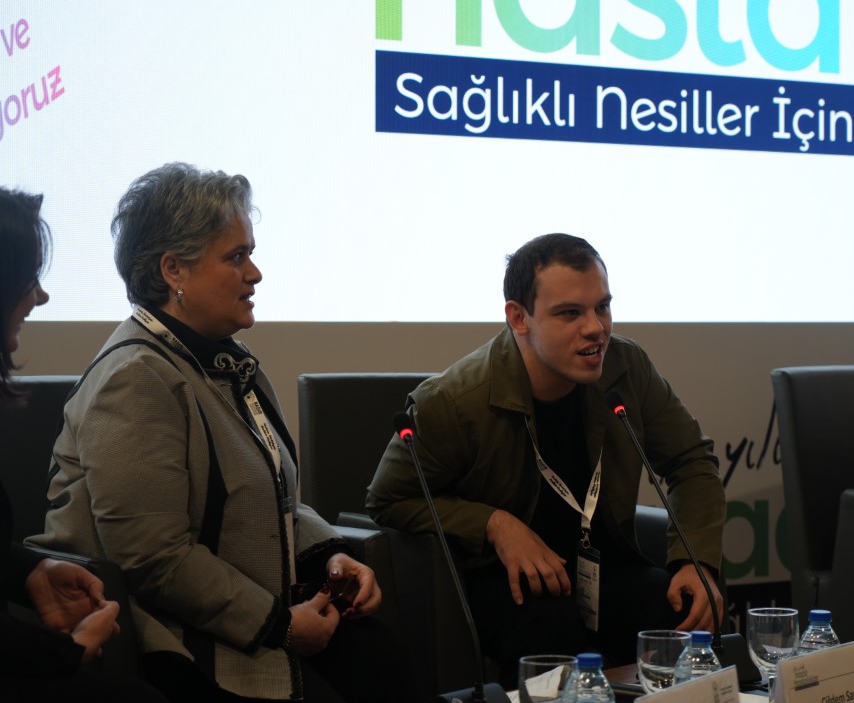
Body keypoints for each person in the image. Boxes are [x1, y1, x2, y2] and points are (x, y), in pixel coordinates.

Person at [28, 164, 414, 703]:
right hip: (185, 645)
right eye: (236, 257)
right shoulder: (135, 378)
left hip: (255, 613)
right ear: (173, 270)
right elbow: (155, 559)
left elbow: (266, 495)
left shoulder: (227, 361)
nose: (255, 274)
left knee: (388, 663)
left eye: (250, 254)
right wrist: (281, 625)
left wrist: (327, 558)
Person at [366, 233, 726, 684]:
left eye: (602, 307)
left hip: (600, 570)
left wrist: (695, 562)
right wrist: (494, 524)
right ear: (519, 317)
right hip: (504, 582)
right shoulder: (452, 401)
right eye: (570, 313)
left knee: (681, 609)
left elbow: (691, 461)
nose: (596, 328)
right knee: (551, 628)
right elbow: (388, 500)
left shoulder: (626, 367)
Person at [1, 187, 168, 702]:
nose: (41, 297)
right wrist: (66, 653)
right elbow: (155, 552)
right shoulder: (133, 376)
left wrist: (29, 571)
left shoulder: (240, 370)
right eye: (29, 279)